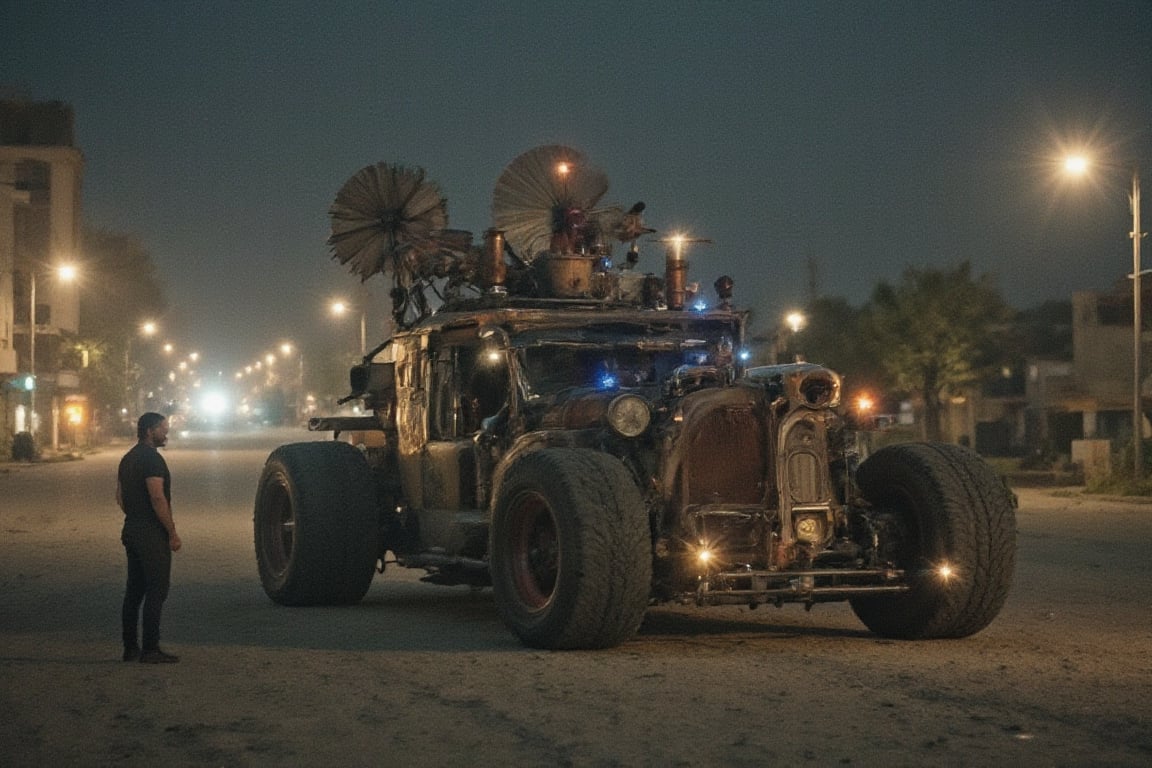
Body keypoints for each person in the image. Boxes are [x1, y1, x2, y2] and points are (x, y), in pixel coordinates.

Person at [116, 412, 181, 664]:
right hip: (150, 534)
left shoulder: (127, 459)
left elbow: (120, 497)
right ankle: (151, 649)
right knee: (157, 590)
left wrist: (135, 515)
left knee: (134, 591)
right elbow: (157, 497)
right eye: (163, 429)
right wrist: (171, 532)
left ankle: (130, 648)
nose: (166, 433)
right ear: (149, 431)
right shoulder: (152, 460)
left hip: (131, 529)